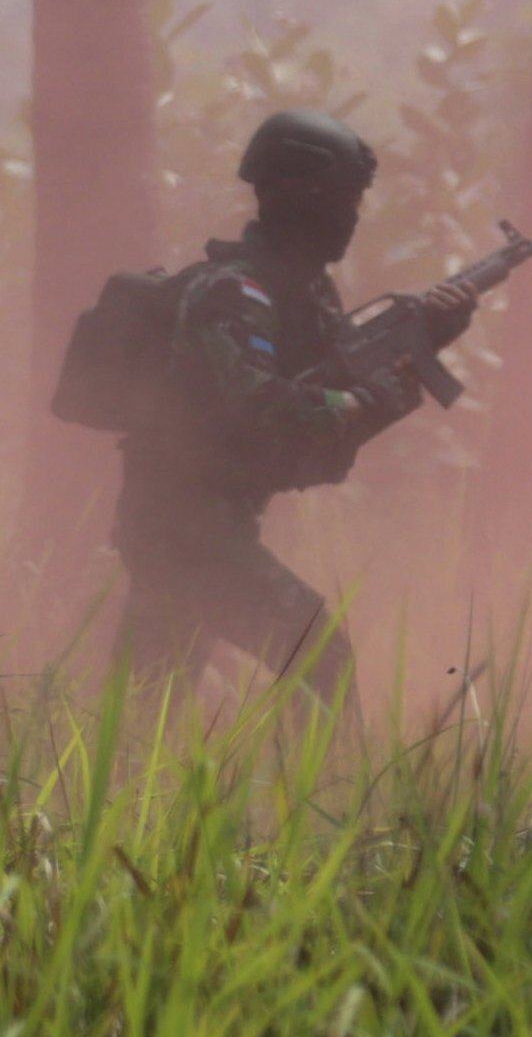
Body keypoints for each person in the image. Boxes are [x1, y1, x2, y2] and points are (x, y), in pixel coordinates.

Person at [112, 109, 478, 700]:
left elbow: (330, 421)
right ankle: (323, 794)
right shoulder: (232, 291)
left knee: (146, 710)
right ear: (297, 195)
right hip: (181, 530)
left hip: (205, 525)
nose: (351, 216)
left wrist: (422, 346)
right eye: (342, 198)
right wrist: (364, 397)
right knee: (320, 661)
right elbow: (261, 403)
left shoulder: (302, 297)